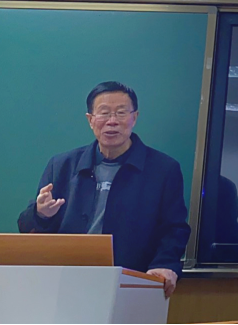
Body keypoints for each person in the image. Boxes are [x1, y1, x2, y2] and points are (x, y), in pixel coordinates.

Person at [18, 82, 190, 298]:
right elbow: (26, 227)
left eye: (121, 113)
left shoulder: (163, 169)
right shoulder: (62, 165)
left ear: (134, 118)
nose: (112, 121)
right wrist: (41, 214)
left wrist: (165, 264)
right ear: (90, 120)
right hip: (64, 283)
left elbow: (174, 229)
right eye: (104, 113)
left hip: (131, 282)